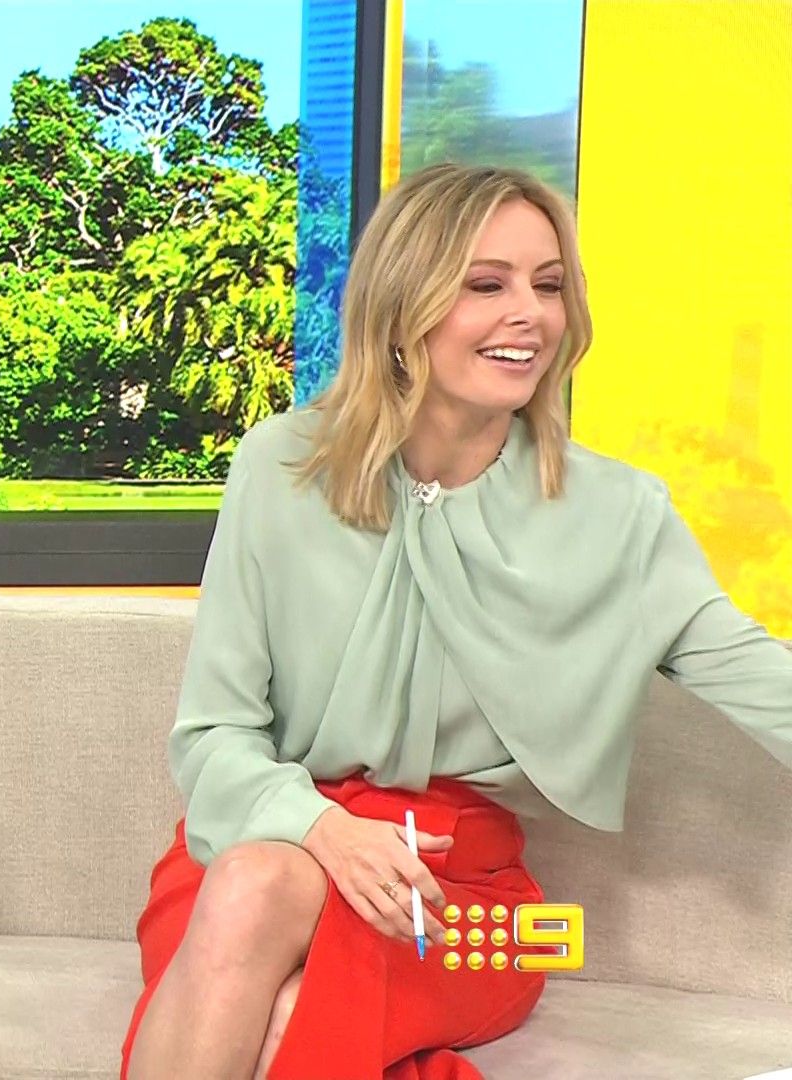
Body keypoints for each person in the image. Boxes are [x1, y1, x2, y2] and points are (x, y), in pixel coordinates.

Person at [119, 163, 792, 1080]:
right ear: (406, 306)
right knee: (253, 886)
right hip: (257, 856)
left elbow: (760, 678)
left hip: (466, 904)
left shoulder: (620, 514)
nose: (531, 314)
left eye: (548, 285)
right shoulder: (280, 468)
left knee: (283, 1020)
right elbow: (212, 736)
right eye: (486, 285)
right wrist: (318, 828)